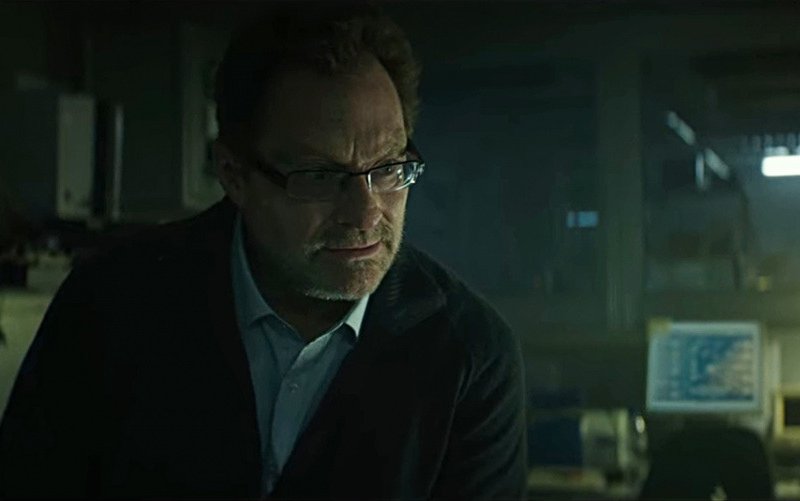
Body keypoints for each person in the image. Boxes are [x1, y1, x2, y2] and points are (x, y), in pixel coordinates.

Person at [0, 3, 527, 499]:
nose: (366, 215)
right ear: (234, 174)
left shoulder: (469, 356)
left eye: (389, 168)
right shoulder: (109, 308)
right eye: (319, 176)